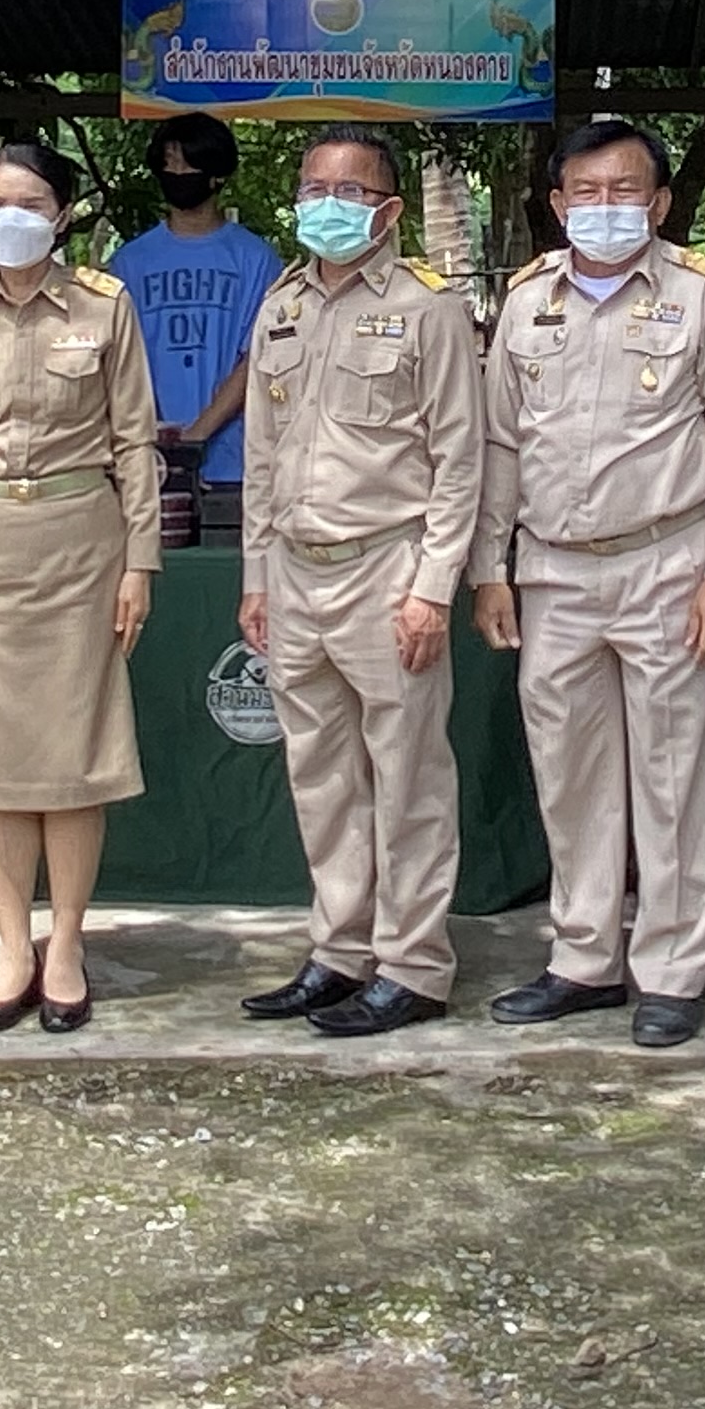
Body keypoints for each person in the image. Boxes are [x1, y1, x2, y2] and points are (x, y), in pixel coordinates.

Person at [469, 118, 705, 1049]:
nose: (605, 209)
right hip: (554, 573)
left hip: (669, 567)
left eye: (625, 191)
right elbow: (500, 445)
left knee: (674, 778)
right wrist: (491, 569)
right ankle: (583, 959)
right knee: (571, 779)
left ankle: (674, 969)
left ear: (661, 203)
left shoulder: (703, 294)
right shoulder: (525, 304)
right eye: (586, 193)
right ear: (557, 206)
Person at [0, 139, 160, 1034]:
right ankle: (12, 948)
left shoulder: (103, 306)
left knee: (74, 758)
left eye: (28, 203)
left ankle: (68, 945)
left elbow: (135, 442)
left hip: (79, 545)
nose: (7, 217)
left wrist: (139, 563)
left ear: (61, 215)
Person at [235, 126, 482, 1037]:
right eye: (312, 187)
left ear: (388, 209)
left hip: (389, 567)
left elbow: (460, 459)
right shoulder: (282, 307)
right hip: (297, 573)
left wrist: (432, 587)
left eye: (347, 189)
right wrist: (257, 574)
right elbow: (262, 456)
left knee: (409, 774)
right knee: (321, 775)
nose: (324, 204)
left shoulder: (430, 309)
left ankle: (414, 964)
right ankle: (340, 952)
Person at [108, 111, 278, 543]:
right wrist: (158, 441)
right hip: (145, 462)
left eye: (187, 163)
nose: (176, 173)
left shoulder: (255, 259)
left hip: (232, 467)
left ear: (217, 175)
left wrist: (197, 436)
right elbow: (116, 363)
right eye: (168, 163)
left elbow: (257, 358)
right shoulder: (129, 263)